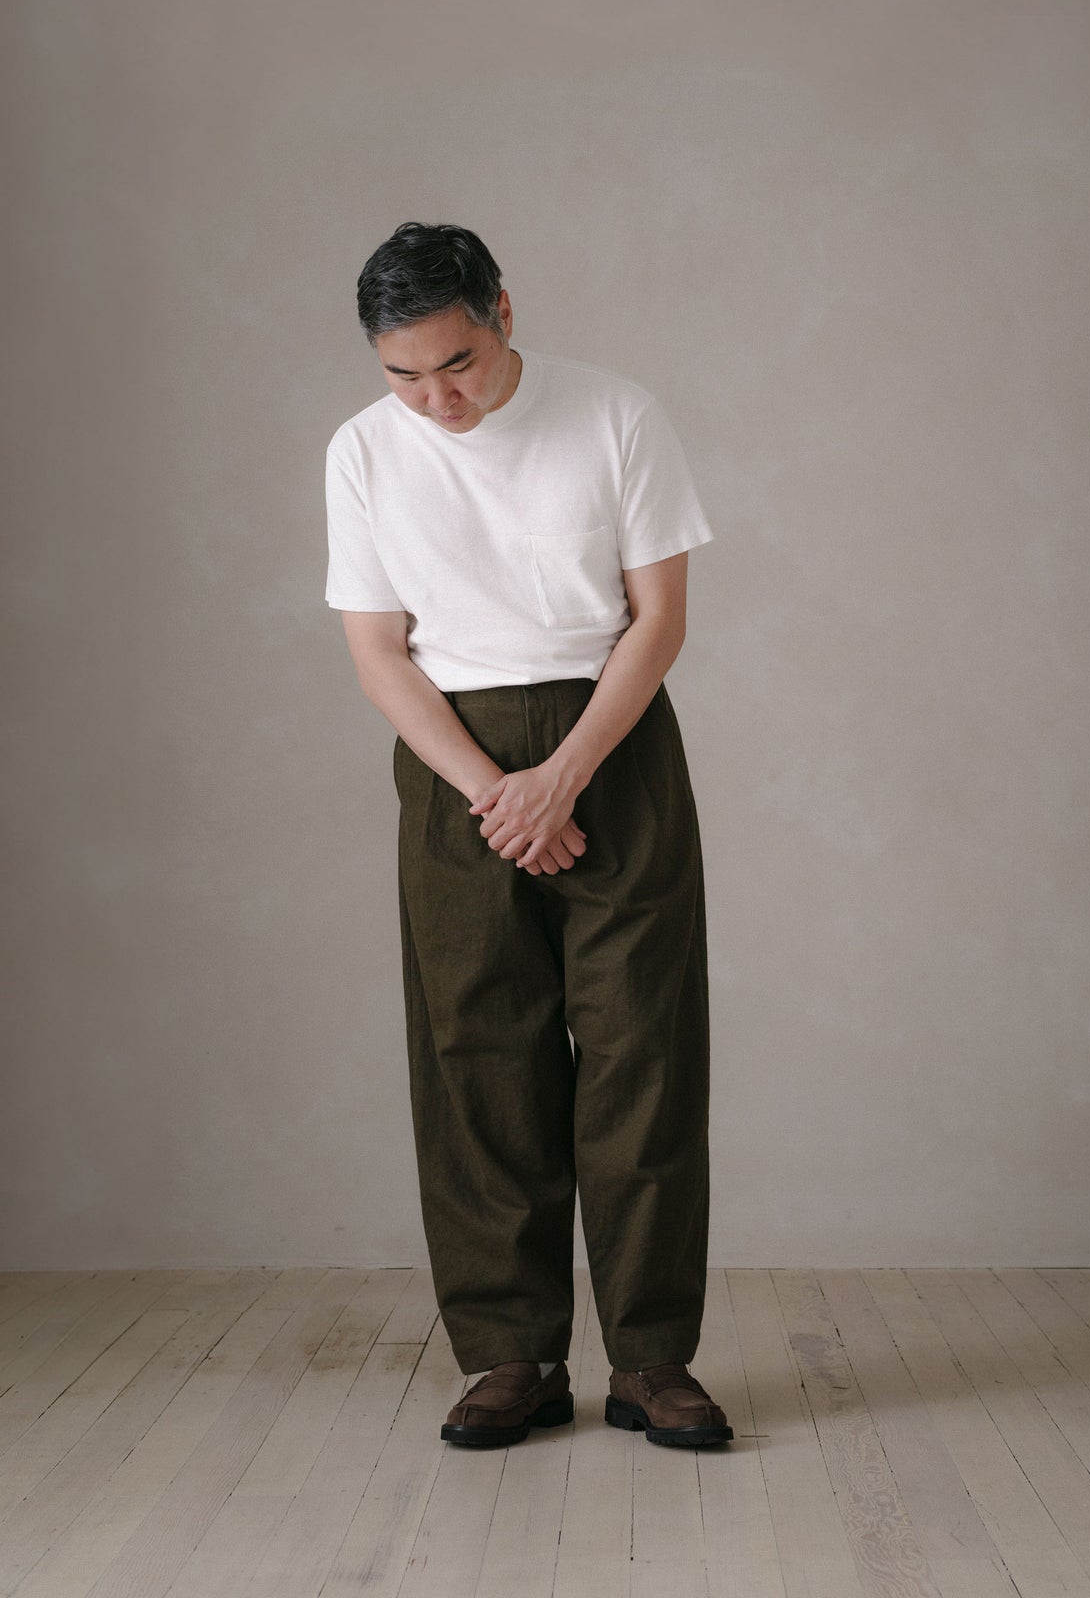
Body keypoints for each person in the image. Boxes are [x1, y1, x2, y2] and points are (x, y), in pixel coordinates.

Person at [323, 221, 731, 1450]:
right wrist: (499, 792)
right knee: (478, 1059)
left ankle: (651, 1360)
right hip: (458, 768)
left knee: (642, 1051)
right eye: (404, 374)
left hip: (612, 748)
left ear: (502, 310)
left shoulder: (615, 416)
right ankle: (513, 1357)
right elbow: (378, 652)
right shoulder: (362, 450)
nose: (435, 399)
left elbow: (658, 622)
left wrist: (564, 778)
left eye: (456, 362)